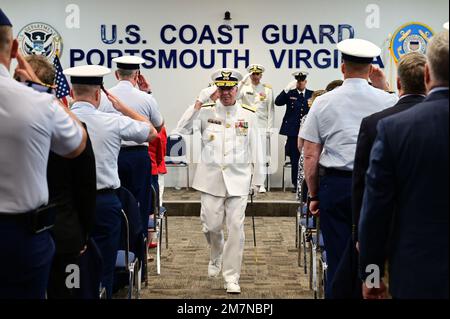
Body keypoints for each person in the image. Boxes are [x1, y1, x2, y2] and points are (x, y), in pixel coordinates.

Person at [299, 38, 398, 298]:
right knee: (373, 247)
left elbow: (310, 155)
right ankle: (372, 289)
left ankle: (339, 294)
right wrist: (385, 87)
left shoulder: (323, 102)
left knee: (338, 252)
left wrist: (314, 194)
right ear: (370, 69)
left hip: (337, 186)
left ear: (343, 68)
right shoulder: (387, 101)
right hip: (375, 186)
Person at [0, 8, 87, 299]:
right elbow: (78, 144)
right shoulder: (40, 104)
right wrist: (42, 94)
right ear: (14, 49)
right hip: (19, 237)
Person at [359, 31, 449, 300]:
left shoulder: (395, 129)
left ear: (427, 75)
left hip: (417, 272)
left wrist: (373, 275)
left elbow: (375, 211)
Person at [64, 64, 158, 298]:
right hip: (104, 204)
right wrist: (122, 107)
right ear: (98, 94)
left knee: (69, 265)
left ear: (72, 91)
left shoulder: (60, 121)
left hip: (68, 206)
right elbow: (151, 132)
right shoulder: (112, 121)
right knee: (104, 267)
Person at [176, 68, 265, 294]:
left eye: (230, 89)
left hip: (239, 180)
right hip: (211, 180)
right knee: (212, 226)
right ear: (216, 89)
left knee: (236, 228)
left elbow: (258, 149)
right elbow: (180, 129)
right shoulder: (205, 112)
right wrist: (199, 101)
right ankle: (215, 253)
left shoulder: (248, 113)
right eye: (222, 88)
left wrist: (258, 180)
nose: (226, 93)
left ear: (237, 89)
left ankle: (231, 277)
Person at [18, 54, 98, 299]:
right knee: (68, 293)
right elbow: (86, 186)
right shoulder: (74, 129)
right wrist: (83, 233)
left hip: (22, 231)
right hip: (65, 232)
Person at [102, 56, 164, 235]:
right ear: (137, 75)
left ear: (116, 74)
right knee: (140, 204)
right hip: (138, 157)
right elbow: (158, 127)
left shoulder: (106, 98)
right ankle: (140, 250)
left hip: (112, 155)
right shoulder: (146, 99)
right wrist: (147, 93)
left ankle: (119, 248)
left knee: (116, 200)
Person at [275, 71, 314, 192]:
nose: (300, 83)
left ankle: (306, 184)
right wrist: (286, 89)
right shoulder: (290, 94)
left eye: (302, 80)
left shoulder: (311, 94)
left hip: (307, 132)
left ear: (305, 82)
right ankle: (296, 184)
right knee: (295, 159)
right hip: (292, 133)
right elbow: (277, 102)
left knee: (308, 158)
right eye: (298, 81)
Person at [240, 64, 274, 193]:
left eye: (257, 74)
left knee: (262, 156)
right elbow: (236, 96)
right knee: (245, 156)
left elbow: (271, 110)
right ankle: (247, 182)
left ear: (261, 75)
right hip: (244, 126)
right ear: (250, 75)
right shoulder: (244, 88)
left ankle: (261, 183)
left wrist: (270, 128)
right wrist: (242, 82)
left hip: (261, 125)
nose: (255, 77)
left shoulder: (267, 90)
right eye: (252, 74)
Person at [296, 89, 327, 201]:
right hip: (325, 158)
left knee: (306, 193)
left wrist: (304, 153)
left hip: (308, 156)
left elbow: (300, 144)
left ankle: (305, 210)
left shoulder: (306, 118)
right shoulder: (330, 117)